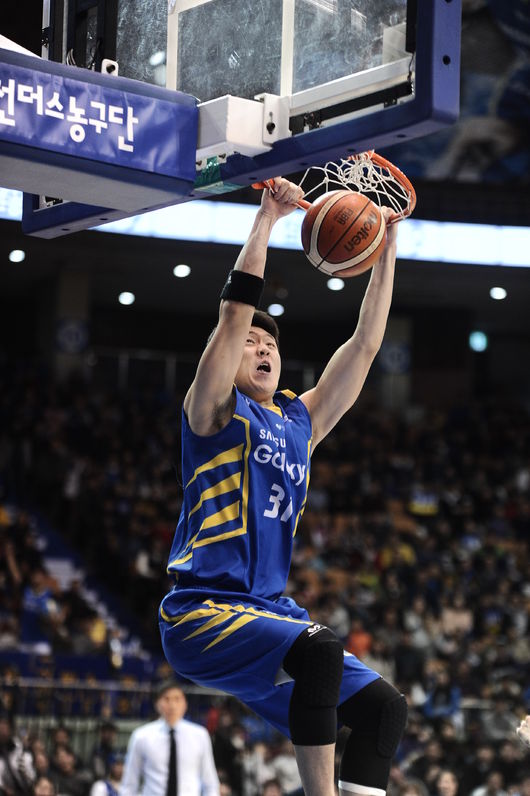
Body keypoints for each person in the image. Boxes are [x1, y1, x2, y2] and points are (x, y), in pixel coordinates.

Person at [159, 177, 406, 796]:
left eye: (270, 343)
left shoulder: (300, 421)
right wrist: (268, 219)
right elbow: (233, 313)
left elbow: (366, 345)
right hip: (202, 613)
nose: (263, 348)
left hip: (268, 614)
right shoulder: (212, 412)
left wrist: (387, 246)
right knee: (320, 649)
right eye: (251, 343)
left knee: (383, 709)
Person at [120, 680, 219, 796]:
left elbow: (210, 783)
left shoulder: (200, 735)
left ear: (185, 704)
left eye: (177, 699)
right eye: (166, 699)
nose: (172, 705)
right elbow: (129, 783)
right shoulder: (141, 736)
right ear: (157, 704)